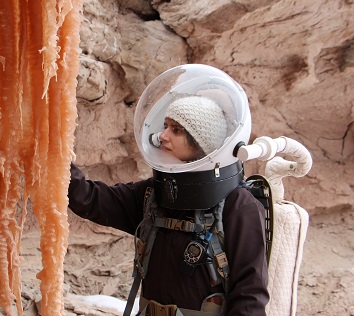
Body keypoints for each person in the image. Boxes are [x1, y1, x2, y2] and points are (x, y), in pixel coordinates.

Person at [68, 64, 269, 315]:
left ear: (201, 144)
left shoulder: (239, 205)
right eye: (165, 126)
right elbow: (90, 200)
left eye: (176, 130)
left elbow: (250, 295)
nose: (161, 136)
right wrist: (58, 157)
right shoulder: (154, 194)